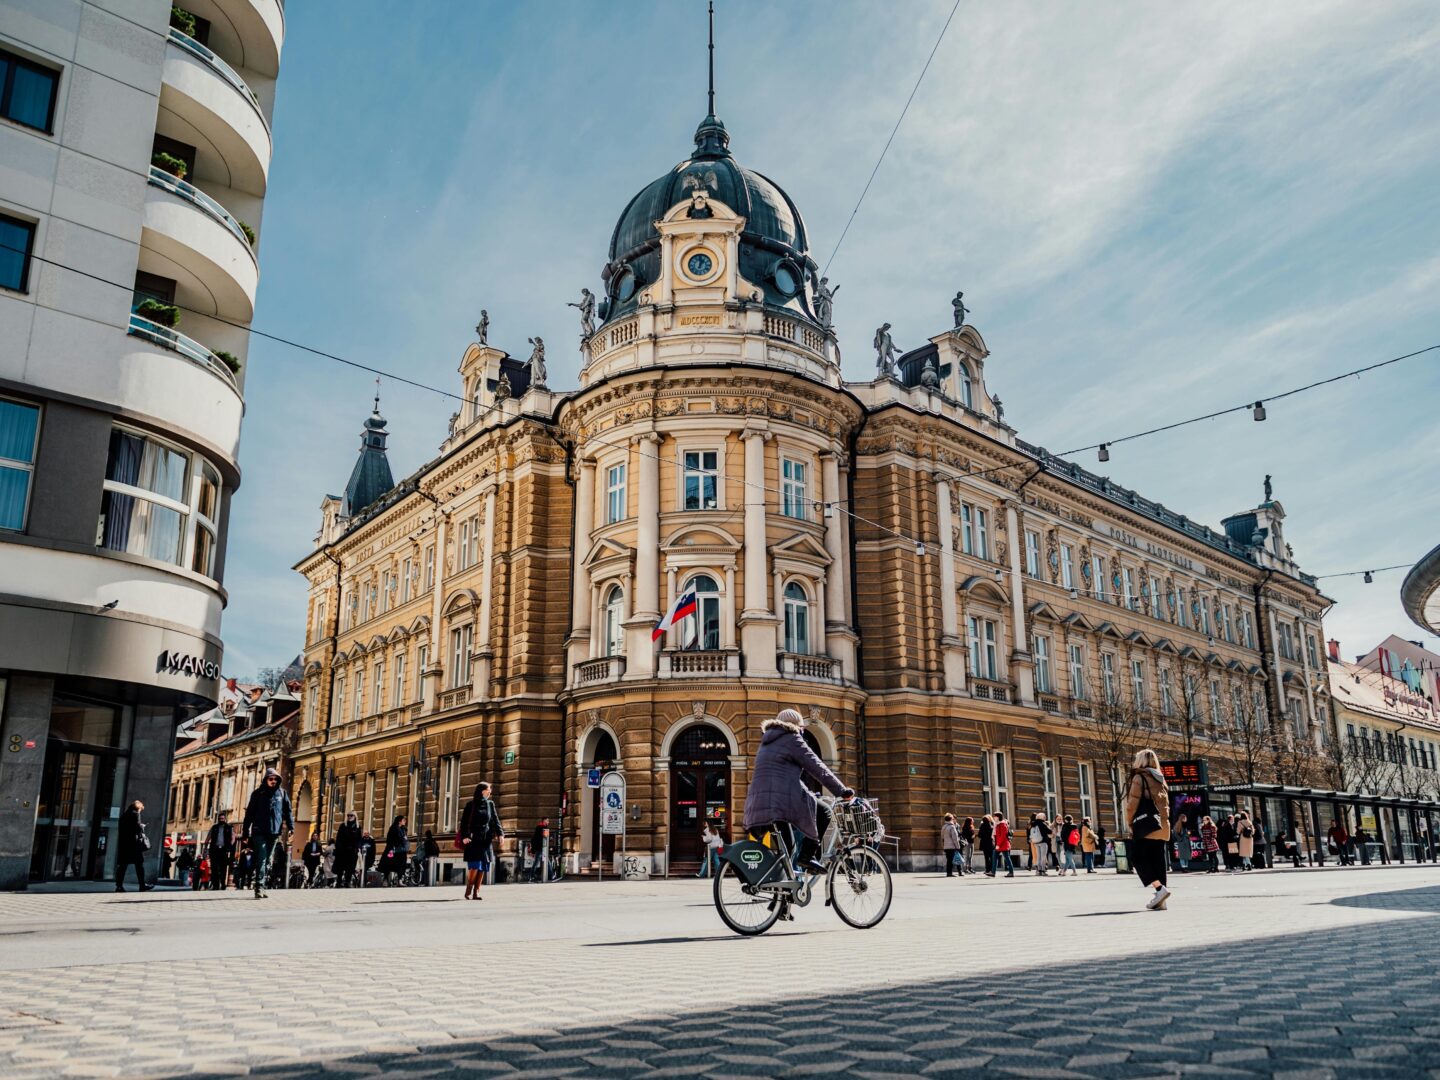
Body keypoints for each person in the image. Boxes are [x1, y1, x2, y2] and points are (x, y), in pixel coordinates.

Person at [742, 708, 853, 877]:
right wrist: (841, 790)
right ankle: (808, 856)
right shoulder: (792, 738)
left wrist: (809, 795)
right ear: (796, 727)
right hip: (780, 802)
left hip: (759, 802)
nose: (802, 731)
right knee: (824, 811)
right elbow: (817, 767)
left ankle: (782, 897)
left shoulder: (766, 742)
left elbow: (784, 777)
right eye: (802, 728)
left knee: (787, 849)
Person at [1125, 748, 1174, 909]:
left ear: (1141, 761)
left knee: (1137, 857)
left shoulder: (1140, 777)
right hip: (1162, 825)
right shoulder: (1161, 779)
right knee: (1158, 861)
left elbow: (1133, 803)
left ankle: (1160, 890)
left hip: (1146, 826)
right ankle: (1162, 901)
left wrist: (1130, 822)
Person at [241, 767, 293, 899]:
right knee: (262, 858)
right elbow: (249, 814)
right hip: (259, 831)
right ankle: (259, 887)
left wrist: (291, 827)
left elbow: (288, 811)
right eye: (271, 779)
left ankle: (261, 884)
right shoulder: (258, 794)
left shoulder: (282, 794)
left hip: (274, 832)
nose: (273, 781)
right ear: (266, 780)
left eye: (275, 779)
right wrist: (245, 833)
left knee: (268, 860)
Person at [460, 782, 502, 899]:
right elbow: (463, 823)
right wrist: (464, 836)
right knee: (474, 866)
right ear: (482, 791)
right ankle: (469, 888)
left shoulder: (490, 804)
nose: (490, 792)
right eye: (488, 789)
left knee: (483, 866)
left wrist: (500, 834)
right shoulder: (470, 805)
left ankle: (476, 892)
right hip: (473, 839)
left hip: (486, 840)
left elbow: (495, 820)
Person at [115, 800, 152, 892]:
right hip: (133, 845)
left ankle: (119, 886)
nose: (140, 811)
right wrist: (141, 826)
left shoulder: (123, 815)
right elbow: (137, 828)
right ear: (138, 808)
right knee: (139, 866)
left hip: (124, 844)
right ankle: (142, 885)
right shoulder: (135, 814)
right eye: (140, 809)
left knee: (122, 866)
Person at [205, 811, 235, 891]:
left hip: (224, 850)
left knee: (223, 868)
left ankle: (223, 884)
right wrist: (205, 847)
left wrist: (230, 846)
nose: (221, 820)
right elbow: (208, 837)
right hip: (215, 850)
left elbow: (233, 837)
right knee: (214, 868)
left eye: (222, 818)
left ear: (225, 819)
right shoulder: (214, 827)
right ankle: (216, 885)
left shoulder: (229, 827)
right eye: (220, 818)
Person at [333, 812, 362, 887]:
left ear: (355, 816)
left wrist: (358, 848)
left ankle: (347, 882)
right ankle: (339, 882)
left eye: (351, 815)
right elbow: (338, 838)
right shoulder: (343, 826)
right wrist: (338, 847)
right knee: (341, 867)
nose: (349, 817)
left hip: (352, 851)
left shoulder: (357, 827)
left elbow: (359, 839)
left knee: (350, 868)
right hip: (343, 850)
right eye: (348, 815)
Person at [381, 815, 409, 885]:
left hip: (401, 851)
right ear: (399, 821)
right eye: (403, 820)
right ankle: (385, 879)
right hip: (393, 850)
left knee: (401, 866)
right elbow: (390, 839)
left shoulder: (403, 829)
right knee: (389, 864)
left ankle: (399, 881)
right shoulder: (393, 828)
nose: (405, 821)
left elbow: (404, 839)